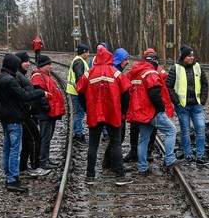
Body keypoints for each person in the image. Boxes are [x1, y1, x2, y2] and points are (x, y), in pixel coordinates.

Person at [76, 45, 133, 186]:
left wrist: (87, 109)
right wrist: (122, 111)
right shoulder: (115, 73)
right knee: (116, 143)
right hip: (113, 112)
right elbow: (126, 93)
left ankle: (90, 176)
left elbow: (80, 92)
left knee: (93, 144)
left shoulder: (89, 73)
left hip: (94, 113)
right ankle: (120, 175)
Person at [0, 53, 45, 193]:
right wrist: (41, 93)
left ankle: (8, 175)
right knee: (15, 149)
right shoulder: (10, 81)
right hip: (15, 119)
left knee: (7, 148)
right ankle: (13, 179)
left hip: (4, 118)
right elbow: (24, 96)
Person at [126, 48, 178, 175]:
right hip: (151, 112)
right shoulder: (151, 73)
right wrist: (161, 109)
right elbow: (154, 93)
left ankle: (142, 167)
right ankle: (169, 158)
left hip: (140, 112)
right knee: (171, 131)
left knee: (143, 140)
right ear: (155, 61)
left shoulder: (136, 72)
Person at [166, 45, 209, 164]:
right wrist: (176, 101)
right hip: (182, 106)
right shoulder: (175, 69)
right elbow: (168, 86)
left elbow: (205, 84)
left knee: (200, 129)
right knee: (185, 131)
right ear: (184, 57)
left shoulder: (198, 67)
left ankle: (200, 155)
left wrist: (203, 99)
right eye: (189, 56)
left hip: (197, 105)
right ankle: (188, 154)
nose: (192, 57)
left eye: (192, 55)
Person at [15, 52, 50, 178]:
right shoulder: (18, 77)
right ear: (18, 62)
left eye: (29, 61)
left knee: (26, 141)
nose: (28, 64)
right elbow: (21, 96)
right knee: (35, 139)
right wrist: (29, 106)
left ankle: (23, 167)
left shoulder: (19, 75)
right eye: (25, 61)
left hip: (25, 113)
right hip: (24, 114)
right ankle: (36, 167)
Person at [31, 54, 65, 169]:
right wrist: (47, 108)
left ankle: (46, 159)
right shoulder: (38, 77)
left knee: (48, 137)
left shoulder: (45, 75)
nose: (51, 66)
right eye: (49, 64)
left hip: (51, 112)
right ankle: (43, 161)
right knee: (45, 138)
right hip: (45, 113)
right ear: (43, 65)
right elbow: (39, 94)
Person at [67, 44, 91, 142]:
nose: (88, 54)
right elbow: (80, 78)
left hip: (75, 91)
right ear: (83, 52)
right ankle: (78, 134)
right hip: (77, 92)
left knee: (79, 113)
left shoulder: (79, 61)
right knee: (79, 114)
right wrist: (83, 92)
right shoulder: (79, 62)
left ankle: (78, 132)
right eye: (87, 52)